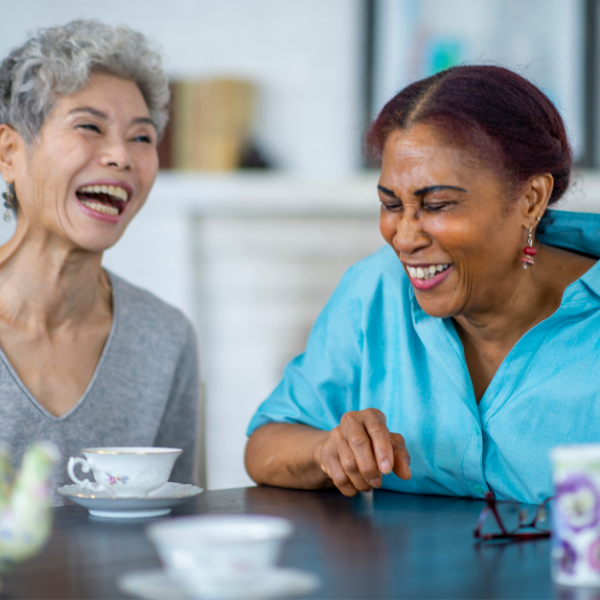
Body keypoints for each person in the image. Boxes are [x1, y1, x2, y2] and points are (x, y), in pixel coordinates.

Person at [245, 65, 600, 505]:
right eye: (391, 204)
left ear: (530, 200)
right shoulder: (374, 291)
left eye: (437, 204)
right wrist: (328, 450)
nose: (405, 237)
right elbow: (265, 443)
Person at [0, 20, 199, 504]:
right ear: (9, 153)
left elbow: (175, 518)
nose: (121, 157)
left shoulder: (164, 338)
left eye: (142, 138)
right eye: (89, 126)